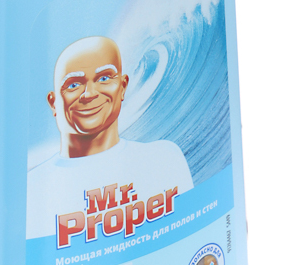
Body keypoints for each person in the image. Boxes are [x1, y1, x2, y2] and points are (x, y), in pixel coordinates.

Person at [27, 36, 192, 240]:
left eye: (104, 78)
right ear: (54, 103)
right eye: (73, 85)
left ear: (122, 87)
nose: (89, 94)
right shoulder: (33, 190)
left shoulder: (165, 159)